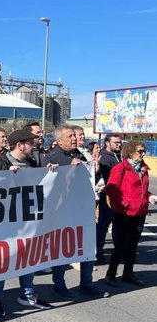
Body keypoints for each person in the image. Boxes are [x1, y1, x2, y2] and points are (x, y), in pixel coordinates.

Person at [0, 129, 55, 316]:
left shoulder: (32, 163)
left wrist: (50, 174)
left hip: (27, 220)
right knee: (2, 259)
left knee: (28, 256)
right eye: (31, 143)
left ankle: (27, 293)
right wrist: (6, 178)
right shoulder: (0, 163)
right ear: (20, 145)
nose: (34, 146)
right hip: (4, 223)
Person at [45, 125, 107, 299]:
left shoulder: (77, 154)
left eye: (75, 135)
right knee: (63, 249)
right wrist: (68, 167)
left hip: (82, 209)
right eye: (70, 136)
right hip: (62, 212)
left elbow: (87, 178)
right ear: (59, 140)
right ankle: (59, 285)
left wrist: (93, 167)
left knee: (87, 246)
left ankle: (86, 283)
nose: (75, 138)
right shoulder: (52, 157)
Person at [104, 141, 157, 287]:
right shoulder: (120, 168)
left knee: (133, 245)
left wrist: (149, 196)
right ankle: (111, 274)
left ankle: (128, 273)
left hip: (140, 212)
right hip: (124, 212)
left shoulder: (143, 169)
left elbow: (143, 191)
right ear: (130, 152)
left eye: (143, 151)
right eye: (140, 151)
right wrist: (125, 203)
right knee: (120, 245)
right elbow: (111, 189)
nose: (143, 153)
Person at [96, 133, 122, 263]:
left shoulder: (119, 156)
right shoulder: (105, 158)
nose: (119, 144)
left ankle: (119, 251)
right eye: (115, 142)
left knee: (118, 225)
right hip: (108, 196)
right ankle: (98, 252)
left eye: (119, 142)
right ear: (107, 143)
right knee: (103, 224)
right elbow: (108, 179)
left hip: (119, 197)